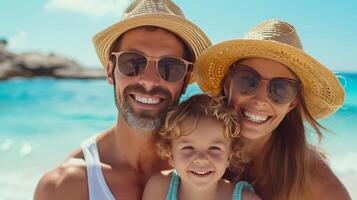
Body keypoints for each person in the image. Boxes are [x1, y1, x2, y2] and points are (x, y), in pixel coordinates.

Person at [34, 0, 210, 199]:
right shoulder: (64, 187)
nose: (150, 80)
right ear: (110, 71)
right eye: (133, 62)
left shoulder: (210, 169)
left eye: (170, 67)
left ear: (185, 80)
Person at [193, 19, 351, 200]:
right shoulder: (187, 145)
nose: (260, 100)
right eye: (247, 81)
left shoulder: (316, 181)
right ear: (228, 84)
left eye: (281, 89)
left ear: (293, 102)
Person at [142, 94, 261, 200]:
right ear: (171, 154)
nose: (201, 159)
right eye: (188, 148)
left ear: (230, 155)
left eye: (214, 148)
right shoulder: (159, 188)